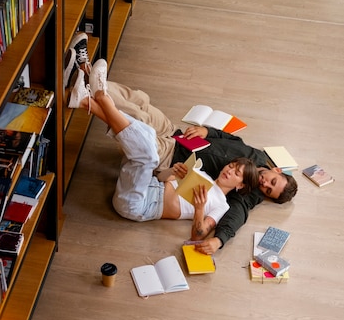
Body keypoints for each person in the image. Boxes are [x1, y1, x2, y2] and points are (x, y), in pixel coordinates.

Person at [65, 33, 297, 251]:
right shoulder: (255, 156)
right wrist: (207, 131)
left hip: (168, 156)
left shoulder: (245, 192)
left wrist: (219, 240)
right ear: (277, 169)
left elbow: (233, 218)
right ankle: (84, 76)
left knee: (141, 123)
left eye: (268, 190)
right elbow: (231, 139)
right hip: (177, 137)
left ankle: (86, 86)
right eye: (272, 181)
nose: (265, 183)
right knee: (140, 101)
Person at [68, 61, 260, 230]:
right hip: (144, 182)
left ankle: (98, 96)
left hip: (138, 203)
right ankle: (85, 95)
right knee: (146, 125)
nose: (229, 170)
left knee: (148, 152)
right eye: (232, 166)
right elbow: (159, 177)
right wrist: (173, 172)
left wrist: (200, 209)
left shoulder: (222, 206)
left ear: (240, 185)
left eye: (236, 173)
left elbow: (199, 233)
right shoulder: (203, 175)